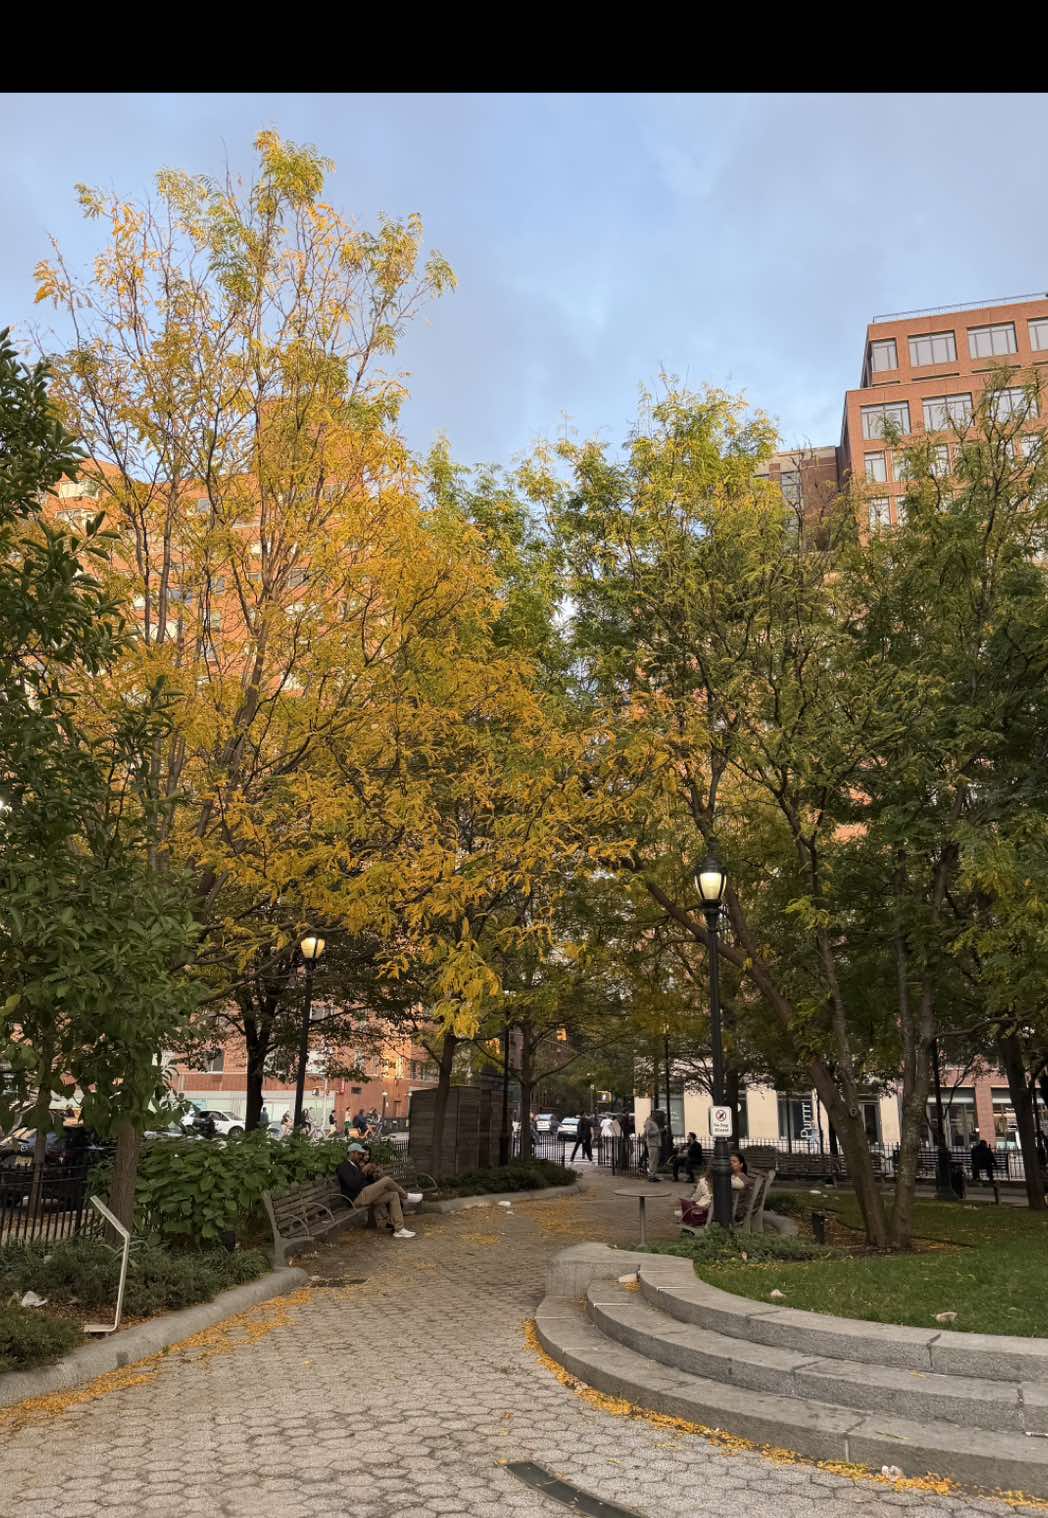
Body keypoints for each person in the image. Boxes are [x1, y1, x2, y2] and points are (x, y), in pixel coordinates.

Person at [336, 1143, 419, 1239]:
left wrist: (374, 1175)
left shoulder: (356, 1166)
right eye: (359, 1154)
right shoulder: (343, 1167)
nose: (361, 1156)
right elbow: (353, 1184)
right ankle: (406, 1197)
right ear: (352, 1153)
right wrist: (363, 1171)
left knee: (393, 1195)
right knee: (387, 1180)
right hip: (356, 1199)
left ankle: (399, 1229)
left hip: (365, 1195)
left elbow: (363, 1182)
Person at [643, 1109, 663, 1182]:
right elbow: (649, 1133)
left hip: (656, 1144)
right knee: (652, 1160)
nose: (657, 1116)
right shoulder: (649, 1122)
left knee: (655, 1161)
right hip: (652, 1144)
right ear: (653, 1114)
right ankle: (651, 1176)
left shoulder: (653, 1122)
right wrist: (658, 1131)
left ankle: (653, 1175)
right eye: (656, 1114)